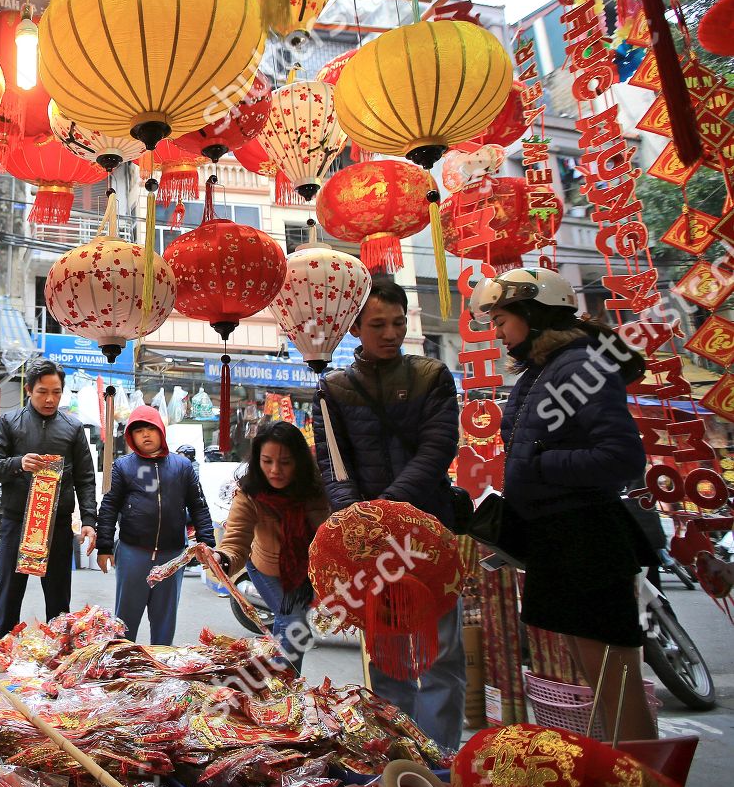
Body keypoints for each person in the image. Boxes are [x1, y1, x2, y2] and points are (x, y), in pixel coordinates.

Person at [475, 267, 658, 741]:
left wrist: (540, 467)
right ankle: (623, 784)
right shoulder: (543, 371)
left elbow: (621, 457)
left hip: (587, 539)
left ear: (534, 315)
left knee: (615, 679)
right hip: (557, 538)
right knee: (596, 677)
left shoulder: (579, 367)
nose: (497, 330)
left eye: (502, 319)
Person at [312, 278, 466, 750]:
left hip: (429, 536)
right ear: (355, 328)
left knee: (440, 652)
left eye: (398, 323)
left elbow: (438, 450)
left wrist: (386, 510)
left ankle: (441, 757)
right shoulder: (332, 388)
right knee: (387, 655)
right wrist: (359, 524)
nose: (390, 333)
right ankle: (402, 753)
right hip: (374, 547)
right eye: (377, 324)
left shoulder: (432, 376)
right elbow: (332, 464)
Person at [0, 361, 99, 639]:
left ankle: (59, 654)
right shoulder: (10, 423)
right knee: (10, 593)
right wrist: (18, 463)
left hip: (57, 525)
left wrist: (89, 520)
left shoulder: (73, 427)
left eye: (56, 392)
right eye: (42, 392)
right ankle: (1, 650)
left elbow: (85, 478)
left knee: (58, 599)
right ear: (28, 390)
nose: (50, 399)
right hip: (17, 522)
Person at [214, 421, 330, 671]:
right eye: (267, 461)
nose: (275, 470)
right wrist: (222, 559)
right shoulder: (249, 493)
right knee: (295, 623)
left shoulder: (318, 488)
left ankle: (272, 685)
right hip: (265, 567)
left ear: (299, 461)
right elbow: (236, 539)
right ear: (258, 460)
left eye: (285, 462)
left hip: (307, 570)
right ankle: (286, 688)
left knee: (286, 622)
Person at [95, 406, 215, 644]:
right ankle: (122, 666)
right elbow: (109, 507)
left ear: (161, 430)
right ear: (131, 436)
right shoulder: (124, 466)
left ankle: (159, 672)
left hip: (172, 554)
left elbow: (199, 506)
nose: (146, 435)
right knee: (125, 620)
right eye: (138, 430)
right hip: (133, 553)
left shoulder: (182, 467)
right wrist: (105, 546)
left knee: (164, 619)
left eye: (151, 428)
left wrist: (207, 543)